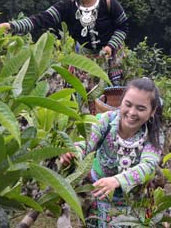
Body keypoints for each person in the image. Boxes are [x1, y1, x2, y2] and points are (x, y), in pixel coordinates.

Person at [0, 0, 129, 84]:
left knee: (115, 98)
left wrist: (110, 46)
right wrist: (12, 26)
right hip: (85, 62)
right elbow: (41, 19)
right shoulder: (67, 5)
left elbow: (122, 27)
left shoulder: (108, 2)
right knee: (88, 101)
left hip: (113, 59)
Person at [60, 77, 163, 227]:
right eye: (128, 104)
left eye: (141, 108)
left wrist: (116, 180)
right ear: (121, 102)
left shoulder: (154, 135)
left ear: (152, 111)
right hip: (97, 197)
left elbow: (148, 165)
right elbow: (88, 142)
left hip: (132, 207)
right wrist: (73, 152)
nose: (132, 112)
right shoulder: (105, 120)